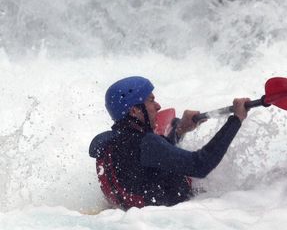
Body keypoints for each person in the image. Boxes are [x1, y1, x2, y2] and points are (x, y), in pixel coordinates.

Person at [88, 76, 251, 209]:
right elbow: (201, 165)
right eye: (151, 101)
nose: (158, 106)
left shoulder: (111, 142)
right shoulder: (146, 143)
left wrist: (179, 130)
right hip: (175, 218)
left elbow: (151, 161)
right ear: (134, 110)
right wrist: (236, 119)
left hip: (135, 219)